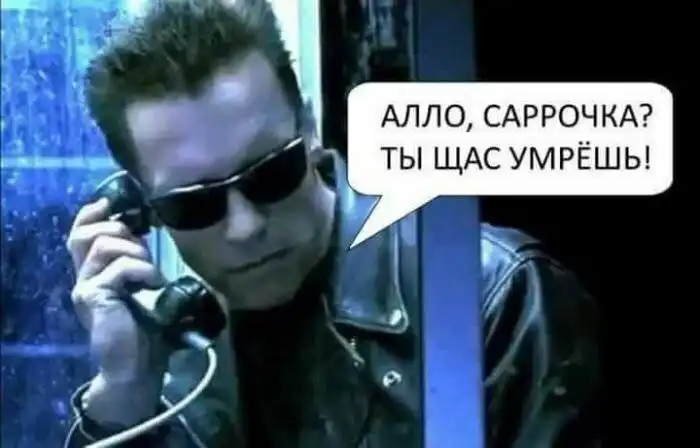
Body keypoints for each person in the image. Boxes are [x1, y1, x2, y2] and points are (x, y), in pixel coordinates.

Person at [63, 1, 600, 446]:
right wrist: (123, 400)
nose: (245, 227)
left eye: (270, 173)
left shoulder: (487, 296)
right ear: (143, 211)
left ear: (311, 129)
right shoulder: (179, 362)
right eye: (195, 205)